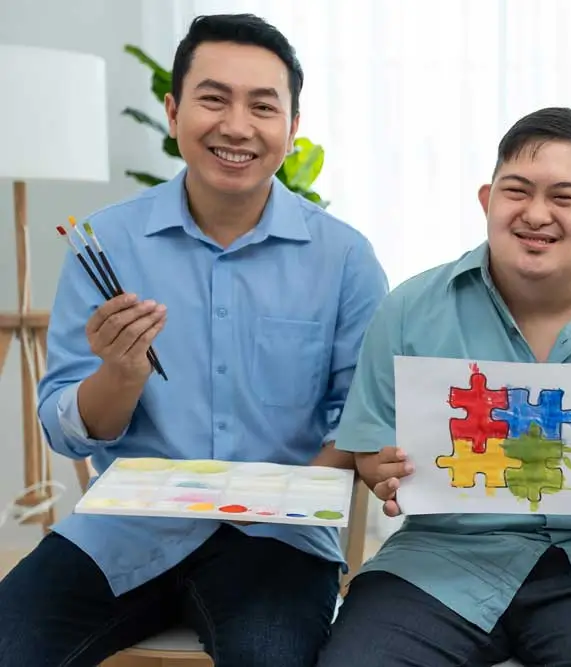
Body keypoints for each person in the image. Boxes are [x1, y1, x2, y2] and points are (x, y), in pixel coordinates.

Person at [0, 13, 387, 667]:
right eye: (213, 98)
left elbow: (367, 417)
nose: (236, 126)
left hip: (278, 543)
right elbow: (66, 429)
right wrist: (120, 373)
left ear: (291, 128)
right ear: (174, 109)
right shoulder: (106, 243)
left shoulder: (345, 257)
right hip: (120, 532)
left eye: (262, 106)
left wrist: (288, 498)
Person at [316, 107, 571, 666]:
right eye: (517, 191)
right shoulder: (409, 311)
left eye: (564, 197)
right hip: (439, 561)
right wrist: (377, 468)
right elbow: (367, 445)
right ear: (487, 200)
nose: (536, 214)